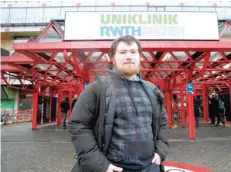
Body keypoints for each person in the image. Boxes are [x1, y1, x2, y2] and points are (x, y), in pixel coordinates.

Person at [68, 35, 169, 172]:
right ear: (113, 59)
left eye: (133, 52)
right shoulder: (98, 88)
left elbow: (162, 122)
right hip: (113, 168)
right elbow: (78, 124)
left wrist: (160, 151)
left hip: (149, 167)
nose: (129, 56)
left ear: (140, 57)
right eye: (123, 52)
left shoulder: (152, 90)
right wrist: (100, 164)